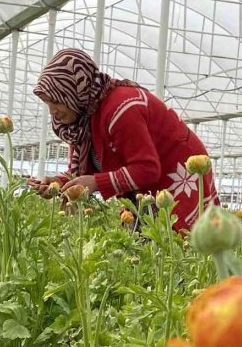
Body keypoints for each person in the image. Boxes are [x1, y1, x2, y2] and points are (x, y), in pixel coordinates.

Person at [27, 48, 218, 230]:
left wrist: (95, 182)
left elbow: (148, 169)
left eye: (57, 101)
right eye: (47, 103)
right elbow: (81, 172)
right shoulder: (82, 122)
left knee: (176, 247)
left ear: (75, 91)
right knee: (143, 246)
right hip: (145, 192)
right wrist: (58, 183)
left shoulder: (122, 109)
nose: (52, 111)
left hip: (179, 176)